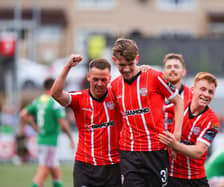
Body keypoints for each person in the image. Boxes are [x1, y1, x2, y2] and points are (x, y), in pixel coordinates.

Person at [111, 38, 184, 187]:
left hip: (156, 151)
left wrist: (176, 135)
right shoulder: (115, 85)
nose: (126, 69)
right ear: (115, 61)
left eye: (130, 64)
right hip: (129, 154)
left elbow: (179, 101)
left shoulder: (154, 77)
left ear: (137, 59)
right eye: (121, 65)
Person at [51, 55, 122, 187]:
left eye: (103, 80)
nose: (99, 84)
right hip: (85, 166)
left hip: (113, 166)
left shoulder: (117, 96)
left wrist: (141, 69)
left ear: (109, 79)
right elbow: (56, 94)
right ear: (88, 77)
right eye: (95, 79)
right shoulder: (79, 98)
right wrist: (67, 67)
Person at [158, 72, 220, 187]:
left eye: (210, 92)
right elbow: (155, 110)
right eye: (203, 89)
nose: (206, 94)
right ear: (193, 90)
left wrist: (174, 144)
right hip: (171, 176)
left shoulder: (213, 121)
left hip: (194, 180)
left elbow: (199, 152)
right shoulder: (180, 106)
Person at [19, 78, 75, 187]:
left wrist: (34, 125)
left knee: (56, 173)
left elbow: (23, 114)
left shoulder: (38, 100)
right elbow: (63, 123)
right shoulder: (54, 102)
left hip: (41, 140)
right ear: (54, 86)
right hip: (50, 142)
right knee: (42, 172)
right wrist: (71, 139)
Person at [162, 53, 192, 132]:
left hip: (181, 142)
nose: (172, 69)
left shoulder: (191, 95)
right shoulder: (154, 93)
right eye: (169, 67)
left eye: (176, 66)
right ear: (163, 72)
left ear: (184, 71)